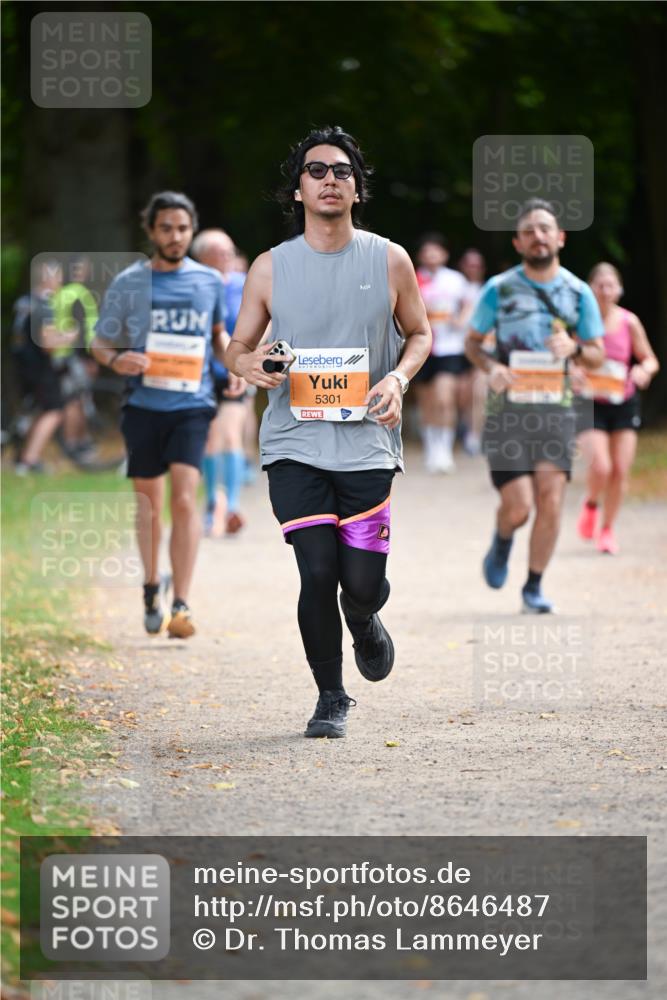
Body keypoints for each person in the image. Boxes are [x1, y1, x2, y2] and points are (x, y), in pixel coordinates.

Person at [225, 125, 431, 738]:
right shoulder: (270, 267)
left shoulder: (389, 258)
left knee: (360, 585)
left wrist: (397, 379)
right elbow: (237, 347)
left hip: (367, 442)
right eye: (315, 170)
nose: (329, 179)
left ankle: (363, 618)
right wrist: (250, 365)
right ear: (298, 191)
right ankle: (331, 696)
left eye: (342, 171)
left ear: (357, 189)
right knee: (316, 572)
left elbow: (420, 334)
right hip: (294, 442)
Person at [91, 191, 235, 638]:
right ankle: (152, 585)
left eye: (183, 228)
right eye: (166, 228)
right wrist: (118, 360)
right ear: (151, 231)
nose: (175, 236)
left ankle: (182, 604)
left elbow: (218, 335)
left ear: (192, 231)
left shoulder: (209, 281)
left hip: (192, 405)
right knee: (150, 505)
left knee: (186, 499)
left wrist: (234, 366)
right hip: (143, 407)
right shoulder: (129, 282)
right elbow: (100, 342)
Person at [464, 198, 605, 613]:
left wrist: (574, 348)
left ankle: (534, 587)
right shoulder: (499, 288)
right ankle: (503, 536)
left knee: (552, 498)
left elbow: (597, 353)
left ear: (560, 237)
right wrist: (491, 367)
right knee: (520, 507)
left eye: (545, 229)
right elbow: (473, 344)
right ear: (517, 243)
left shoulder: (578, 292)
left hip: (557, 410)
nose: (537, 236)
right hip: (507, 411)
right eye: (528, 231)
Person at [575, 262, 659, 554]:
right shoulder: (580, 322)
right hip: (590, 402)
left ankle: (607, 530)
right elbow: (567, 358)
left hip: (623, 401)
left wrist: (643, 370)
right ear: (590, 289)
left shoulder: (629, 321)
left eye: (611, 285)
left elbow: (650, 359)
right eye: (600, 285)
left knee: (620, 470)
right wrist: (573, 371)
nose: (606, 291)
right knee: (601, 466)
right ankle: (591, 503)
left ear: (619, 290)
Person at [191, 229, 248, 536]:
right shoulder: (190, 285)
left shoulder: (244, 284)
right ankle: (213, 502)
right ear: (201, 257)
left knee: (230, 434)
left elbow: (264, 320)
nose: (227, 257)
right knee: (210, 438)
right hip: (198, 371)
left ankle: (233, 506)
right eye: (218, 252)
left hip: (234, 370)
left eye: (229, 251)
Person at [412, 233, 472, 472]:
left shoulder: (456, 279)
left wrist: (461, 320)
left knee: (445, 399)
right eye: (427, 251)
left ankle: (445, 450)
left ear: (444, 254)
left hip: (449, 347)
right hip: (423, 347)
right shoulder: (414, 278)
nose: (431, 255)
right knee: (427, 402)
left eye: (435, 250)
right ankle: (431, 447)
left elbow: (468, 304)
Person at [12, 259, 67, 474]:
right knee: (54, 410)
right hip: (40, 368)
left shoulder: (24, 301)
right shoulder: (45, 306)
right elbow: (48, 345)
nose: (60, 282)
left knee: (33, 410)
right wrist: (68, 337)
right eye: (58, 277)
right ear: (49, 279)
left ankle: (21, 456)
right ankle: (29, 460)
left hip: (21, 365)